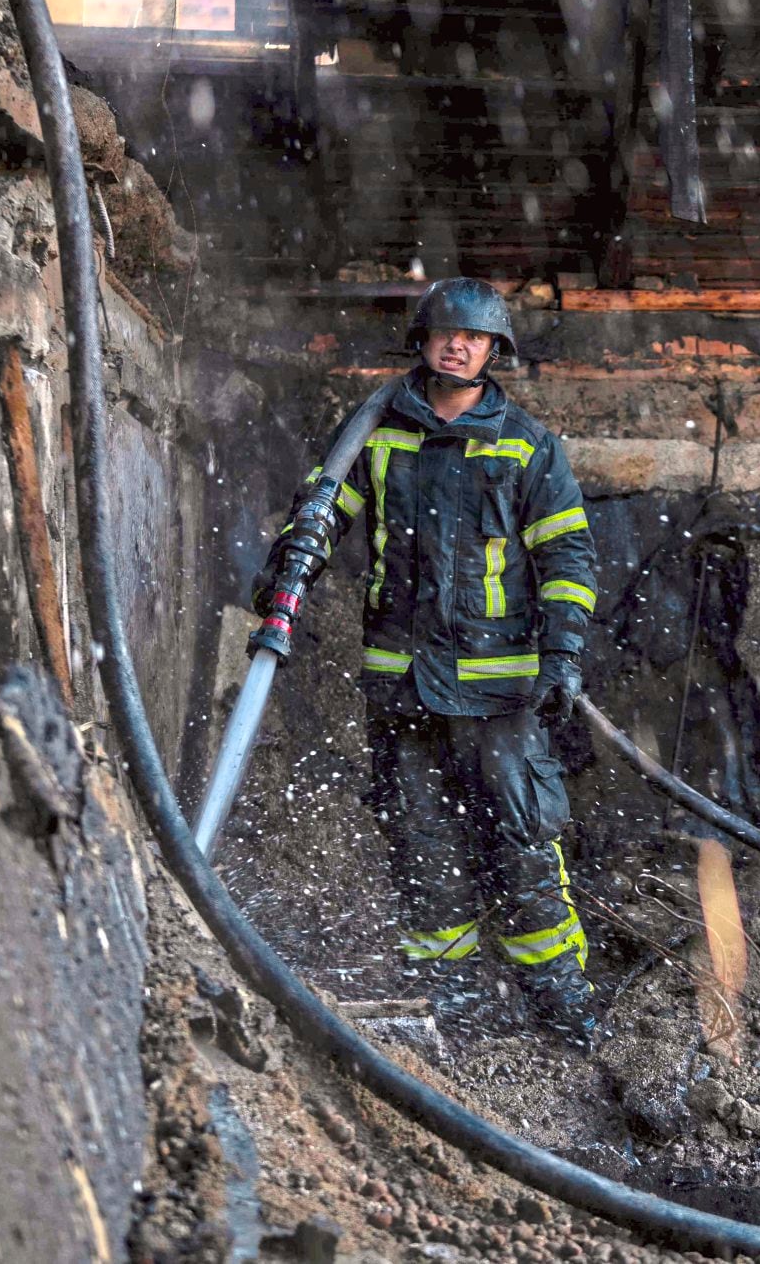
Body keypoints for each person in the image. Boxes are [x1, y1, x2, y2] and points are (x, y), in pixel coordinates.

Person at [255, 277, 599, 1046]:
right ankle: (453, 1007)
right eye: (447, 331)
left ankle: (559, 1002)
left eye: (475, 337)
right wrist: (289, 567)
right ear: (424, 337)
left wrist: (564, 653)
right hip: (403, 684)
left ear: (494, 349)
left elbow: (568, 555)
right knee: (423, 843)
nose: (458, 344)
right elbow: (324, 509)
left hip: (500, 692)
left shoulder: (526, 445)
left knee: (521, 843)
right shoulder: (378, 429)